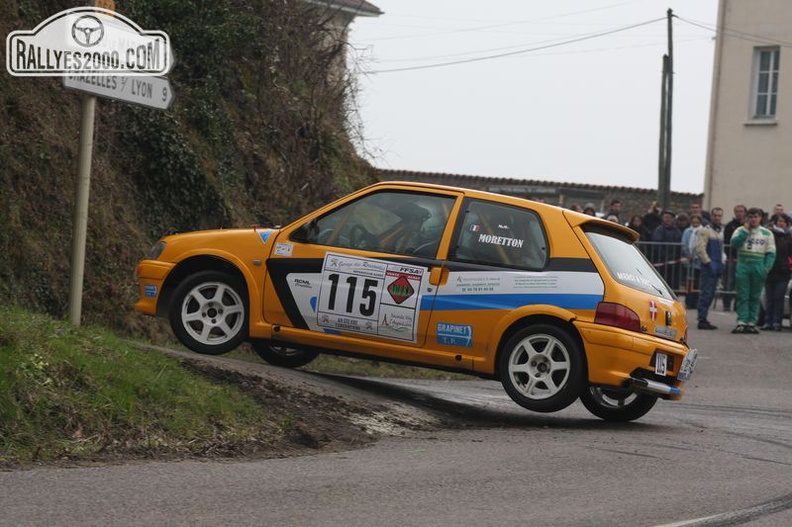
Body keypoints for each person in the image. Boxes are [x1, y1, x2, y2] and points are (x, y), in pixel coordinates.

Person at [730, 207, 776, 334]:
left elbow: (771, 253)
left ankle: (751, 322)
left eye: (756, 217)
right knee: (743, 294)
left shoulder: (767, 233)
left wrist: (766, 268)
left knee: (755, 296)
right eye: (751, 217)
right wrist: (745, 231)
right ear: (747, 218)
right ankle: (741, 322)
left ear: (760, 218)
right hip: (743, 264)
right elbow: (733, 244)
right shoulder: (740, 230)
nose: (753, 219)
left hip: (758, 265)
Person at [695, 207, 725, 329]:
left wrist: (722, 262)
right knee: (706, 293)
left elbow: (722, 250)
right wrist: (708, 262)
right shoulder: (705, 231)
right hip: (709, 266)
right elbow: (700, 249)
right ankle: (702, 318)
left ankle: (704, 317)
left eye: (719, 215)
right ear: (711, 216)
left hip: (717, 264)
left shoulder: (720, 232)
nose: (717, 217)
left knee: (711, 293)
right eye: (715, 215)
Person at [763, 213, 792, 331]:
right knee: (769, 297)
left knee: (778, 297)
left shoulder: (789, 237)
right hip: (770, 270)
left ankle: (776, 322)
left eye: (784, 221)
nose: (782, 223)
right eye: (779, 221)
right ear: (775, 222)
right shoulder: (770, 235)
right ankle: (768, 321)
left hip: (783, 271)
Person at [722, 204, 747, 310]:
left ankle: (738, 305)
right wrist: (729, 255)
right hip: (732, 258)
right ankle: (726, 304)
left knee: (741, 283)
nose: (739, 213)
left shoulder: (747, 226)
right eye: (737, 211)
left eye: (741, 211)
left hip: (744, 258)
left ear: (745, 212)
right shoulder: (729, 226)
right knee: (729, 281)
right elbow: (727, 241)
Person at [652, 210, 683, 290]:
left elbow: (679, 244)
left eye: (669, 218)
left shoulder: (676, 230)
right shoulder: (659, 230)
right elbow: (656, 244)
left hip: (674, 262)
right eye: (666, 217)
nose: (667, 219)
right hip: (662, 261)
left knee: (673, 283)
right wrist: (664, 256)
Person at [681, 214, 703, 308]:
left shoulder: (702, 231)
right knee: (689, 283)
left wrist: (697, 255)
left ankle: (696, 302)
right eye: (693, 222)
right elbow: (684, 243)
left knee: (697, 283)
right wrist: (688, 254)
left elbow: (702, 244)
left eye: (697, 222)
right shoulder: (687, 231)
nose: (695, 224)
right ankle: (688, 302)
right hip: (689, 261)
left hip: (698, 262)